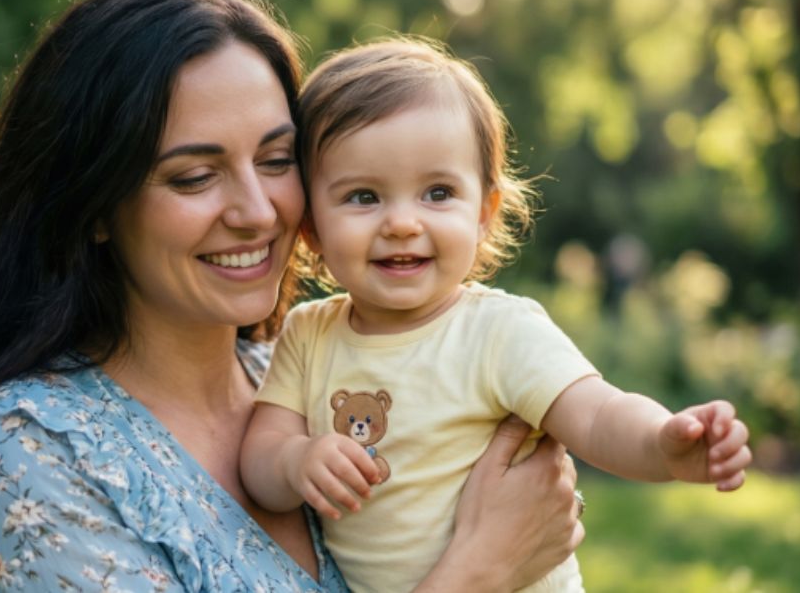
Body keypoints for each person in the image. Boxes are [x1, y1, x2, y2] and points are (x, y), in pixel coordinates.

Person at [0, 0, 587, 592]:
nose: (258, 210)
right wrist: (480, 570)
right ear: (96, 205)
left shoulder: (311, 376)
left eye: (276, 160)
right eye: (195, 176)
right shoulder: (23, 457)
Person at [239, 39, 753, 593]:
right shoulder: (310, 334)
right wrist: (297, 459)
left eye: (437, 192)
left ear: (484, 213)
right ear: (312, 226)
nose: (402, 223)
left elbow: (599, 415)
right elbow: (259, 460)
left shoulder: (498, 331)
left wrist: (662, 445)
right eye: (364, 197)